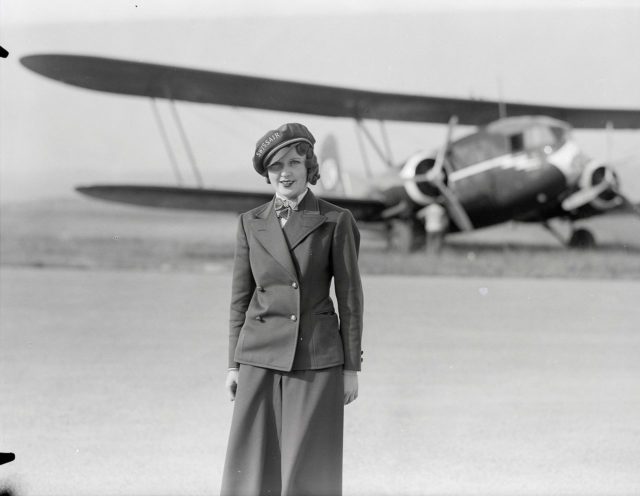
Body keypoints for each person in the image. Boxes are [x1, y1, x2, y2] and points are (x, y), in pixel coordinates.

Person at [221, 123, 364, 496]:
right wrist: (234, 365)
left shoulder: (336, 220)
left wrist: (351, 367)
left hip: (316, 357)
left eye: (294, 163)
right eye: (275, 166)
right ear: (266, 173)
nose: (284, 173)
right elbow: (241, 298)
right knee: (251, 468)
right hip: (259, 356)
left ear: (309, 167)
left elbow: (350, 300)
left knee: (310, 468)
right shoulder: (250, 223)